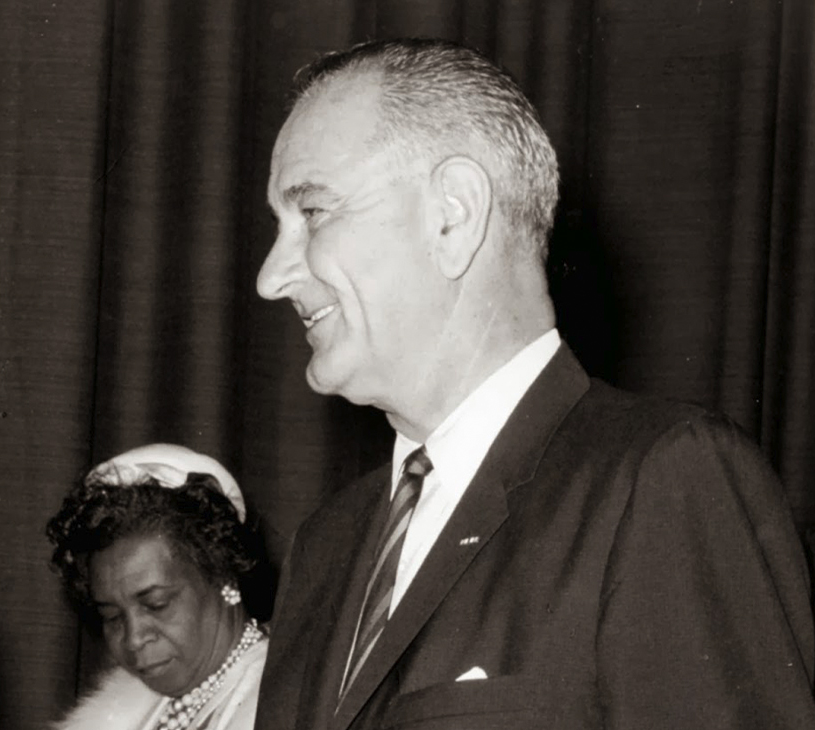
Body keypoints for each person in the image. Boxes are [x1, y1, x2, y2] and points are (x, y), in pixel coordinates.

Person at [252, 38, 815, 730]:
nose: (271, 276)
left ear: (452, 214)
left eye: (312, 213)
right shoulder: (324, 545)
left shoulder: (658, 480)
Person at [46, 444, 268, 730]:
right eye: (112, 616)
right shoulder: (130, 709)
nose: (133, 639)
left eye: (157, 604)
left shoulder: (279, 705)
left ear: (224, 575)